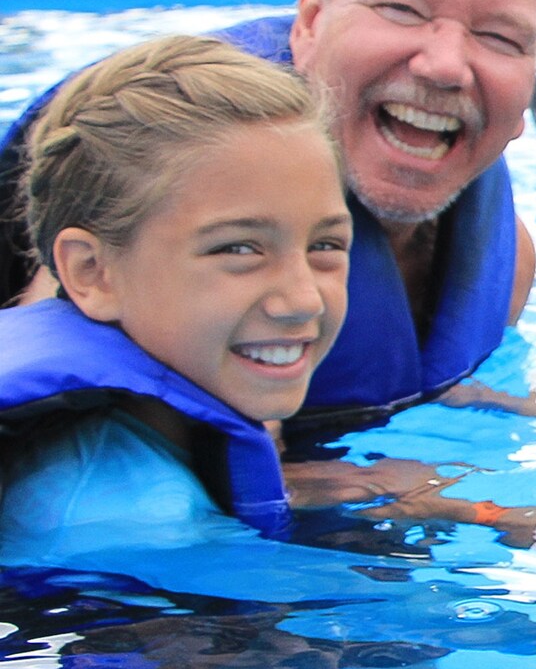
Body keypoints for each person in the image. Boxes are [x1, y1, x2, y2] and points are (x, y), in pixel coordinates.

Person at [1, 0, 536, 424]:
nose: (445, 66)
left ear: (528, 89)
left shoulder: (508, 261)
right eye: (400, 7)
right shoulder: (171, 177)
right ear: (311, 20)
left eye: (499, 38)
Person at [0, 35, 349, 557]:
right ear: (92, 271)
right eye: (238, 248)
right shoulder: (120, 521)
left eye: (324, 244)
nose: (303, 300)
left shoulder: (145, 439)